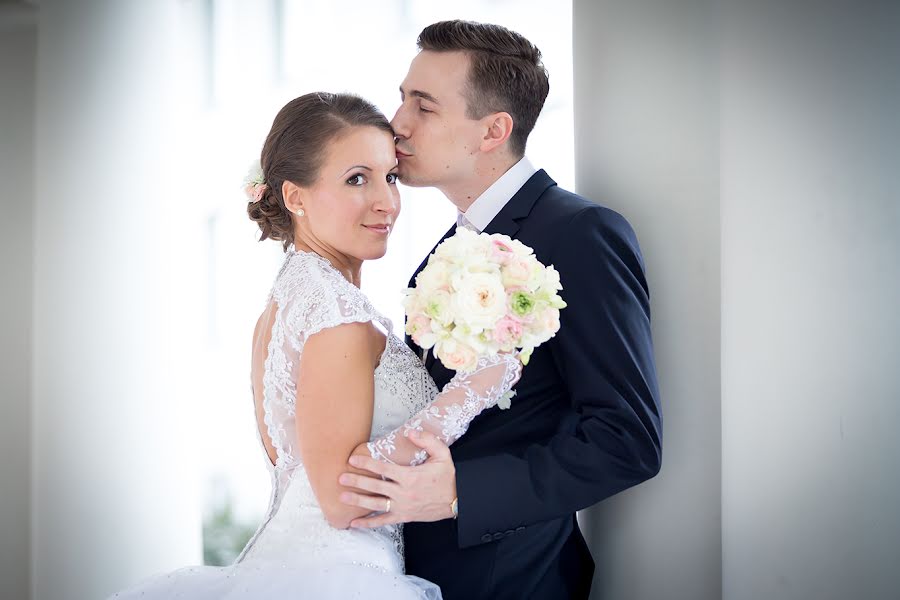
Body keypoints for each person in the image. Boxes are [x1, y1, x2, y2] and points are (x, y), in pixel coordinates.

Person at [108, 92, 521, 599]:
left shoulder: (296, 294)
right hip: (341, 574)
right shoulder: (335, 313)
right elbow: (343, 500)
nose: (385, 201)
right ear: (294, 197)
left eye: (389, 176)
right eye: (356, 179)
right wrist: (475, 388)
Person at [339, 20, 663, 600]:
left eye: (424, 106)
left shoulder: (581, 234)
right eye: (402, 98)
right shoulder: (440, 255)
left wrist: (461, 492)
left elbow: (626, 438)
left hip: (511, 577)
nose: (398, 123)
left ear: (493, 131)